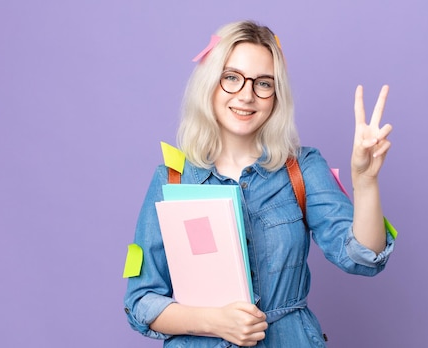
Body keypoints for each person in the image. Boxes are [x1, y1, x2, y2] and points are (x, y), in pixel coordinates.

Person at [124, 20, 396, 347]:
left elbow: (363, 258)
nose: (247, 96)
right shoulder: (172, 178)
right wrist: (215, 322)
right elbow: (140, 300)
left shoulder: (303, 168)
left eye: (263, 83)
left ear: (276, 94)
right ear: (210, 83)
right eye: (231, 78)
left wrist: (365, 181)